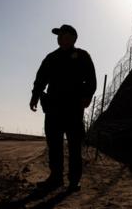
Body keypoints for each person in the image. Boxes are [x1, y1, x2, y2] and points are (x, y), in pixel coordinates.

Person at [29, 24, 96, 192]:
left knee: (74, 146)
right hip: (53, 108)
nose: (59, 38)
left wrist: (87, 96)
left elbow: (91, 79)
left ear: (73, 38)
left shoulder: (82, 56)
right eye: (58, 36)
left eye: (63, 35)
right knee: (54, 145)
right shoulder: (51, 58)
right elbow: (41, 78)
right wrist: (35, 96)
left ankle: (74, 181)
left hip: (73, 109)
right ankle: (56, 178)